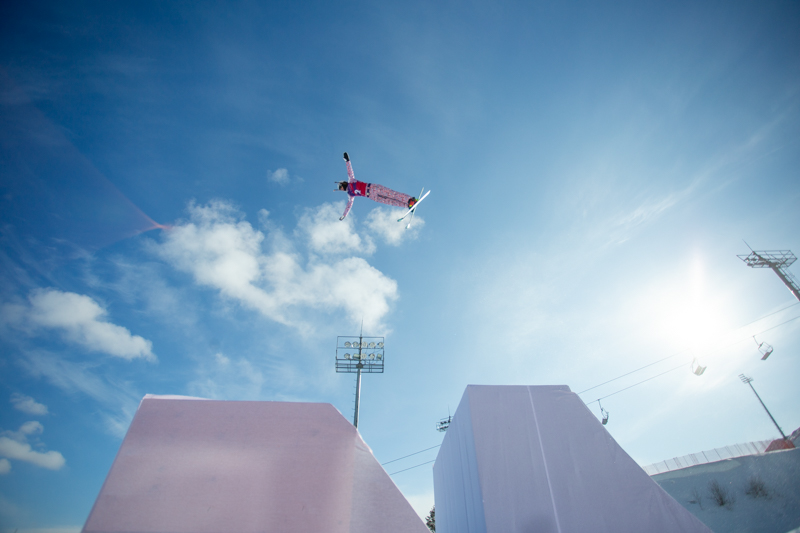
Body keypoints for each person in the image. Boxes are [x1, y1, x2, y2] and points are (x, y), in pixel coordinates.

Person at [336, 152, 416, 220]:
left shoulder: (351, 181)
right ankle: (408, 205)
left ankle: (409, 200)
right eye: (340, 189)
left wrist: (347, 161)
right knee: (389, 201)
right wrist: (344, 215)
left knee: (391, 194)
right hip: (372, 196)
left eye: (340, 187)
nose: (341, 189)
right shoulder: (350, 194)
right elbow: (349, 205)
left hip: (372, 188)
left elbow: (350, 171)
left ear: (343, 183)